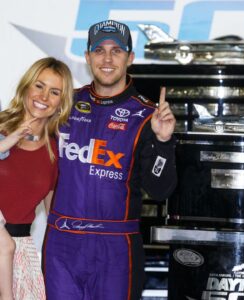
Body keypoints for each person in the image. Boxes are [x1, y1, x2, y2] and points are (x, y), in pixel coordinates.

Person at [43, 19, 177, 300]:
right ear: (88, 57)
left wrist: (163, 143)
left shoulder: (147, 116)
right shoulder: (64, 104)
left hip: (116, 248)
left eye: (116, 51)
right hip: (62, 243)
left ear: (130, 58)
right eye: (99, 50)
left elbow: (161, 189)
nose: (107, 58)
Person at [0, 57, 73, 299]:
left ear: (61, 103)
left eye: (54, 92)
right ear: (26, 87)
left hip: (20, 253)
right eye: (39, 86)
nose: (43, 97)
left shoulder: (55, 152)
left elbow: (54, 213)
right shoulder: (0, 129)